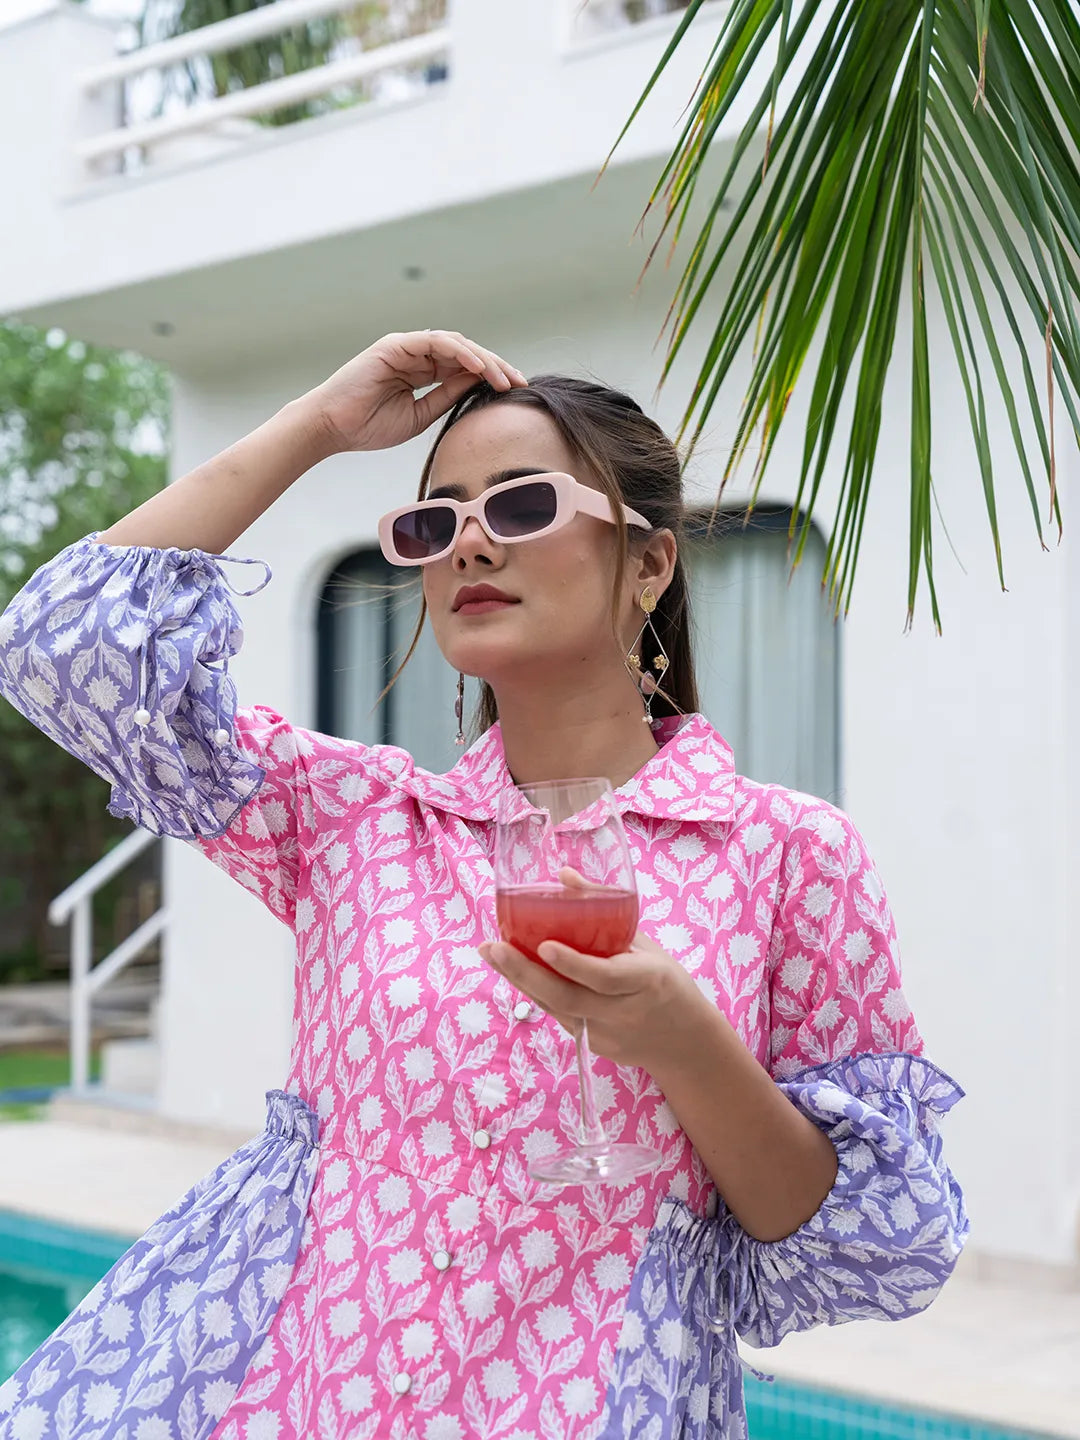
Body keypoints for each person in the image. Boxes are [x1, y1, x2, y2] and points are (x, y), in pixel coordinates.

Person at [0, 330, 967, 1440]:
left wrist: (684, 1041)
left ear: (647, 563)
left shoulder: (789, 854)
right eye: (433, 522)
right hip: (310, 1395)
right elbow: (58, 648)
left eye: (518, 508)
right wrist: (320, 426)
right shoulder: (354, 818)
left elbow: (873, 1239)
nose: (467, 546)